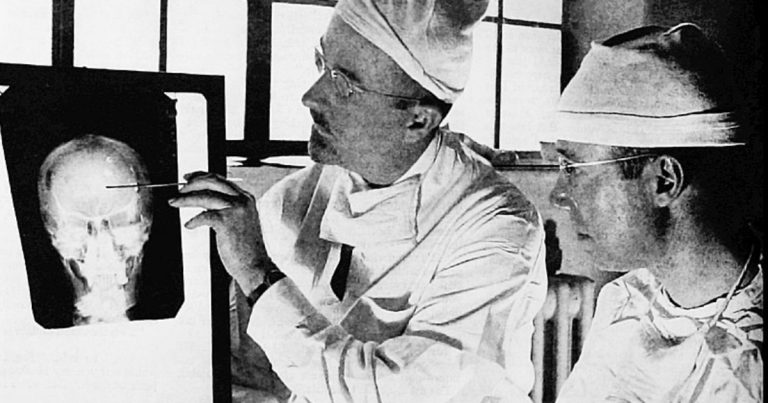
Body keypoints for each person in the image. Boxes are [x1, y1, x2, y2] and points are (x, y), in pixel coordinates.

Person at [169, 0, 547, 402]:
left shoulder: (498, 228)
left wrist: (257, 276)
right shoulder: (291, 201)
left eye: (344, 85)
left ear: (417, 120)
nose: (310, 97)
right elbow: (250, 377)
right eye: (321, 65)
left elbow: (398, 393)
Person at [549, 23, 763, 402]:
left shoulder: (752, 360)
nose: (559, 196)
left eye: (572, 169)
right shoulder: (623, 301)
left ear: (664, 180)